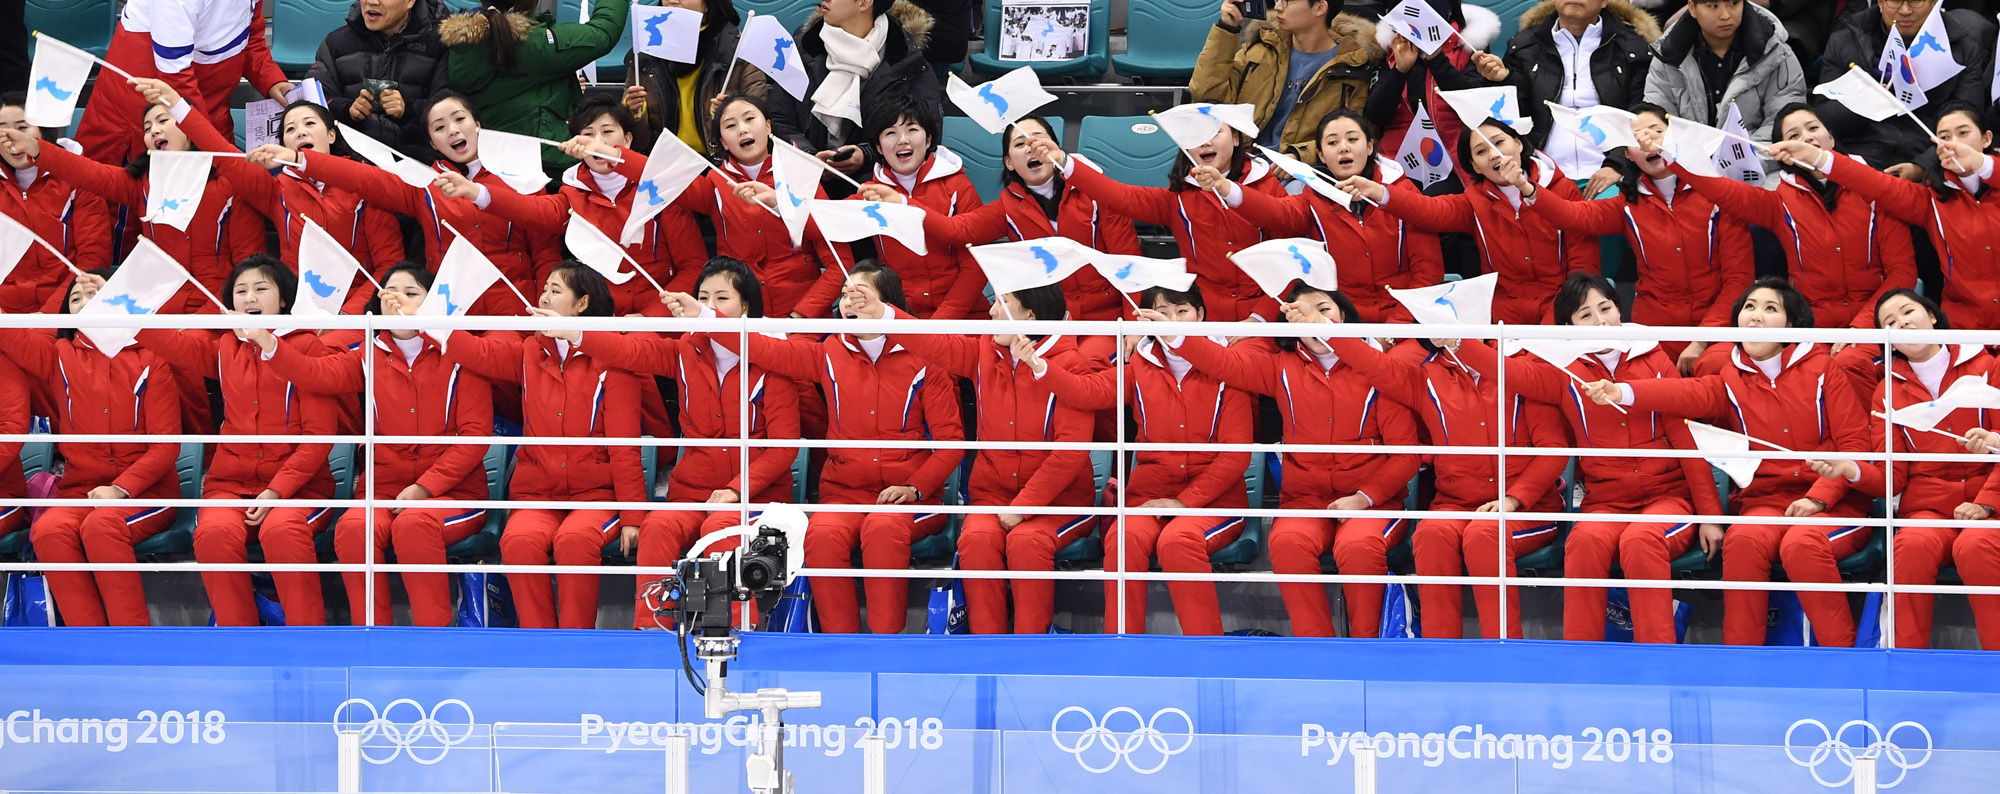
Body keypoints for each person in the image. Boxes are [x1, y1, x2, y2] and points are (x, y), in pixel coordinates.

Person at [1584, 277, 1876, 647]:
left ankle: (1844, 659)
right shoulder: (1729, 377)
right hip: (1766, 503)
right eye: (1749, 307)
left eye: (1770, 308)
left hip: (1834, 506)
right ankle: (1741, 661)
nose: (1756, 315)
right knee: (1741, 542)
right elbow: (1682, 392)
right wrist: (1622, 391)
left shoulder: (1825, 370)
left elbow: (1853, 445)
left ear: (1792, 324)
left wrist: (1817, 498)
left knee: (1802, 545)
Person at [1454, 272, 1725, 643]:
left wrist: (1710, 517)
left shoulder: (1654, 356)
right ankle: (1580, 659)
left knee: (1641, 541)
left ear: (1620, 310)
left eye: (1606, 308)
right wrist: (1458, 343)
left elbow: (1686, 442)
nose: (1601, 321)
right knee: (1582, 544)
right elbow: (1510, 372)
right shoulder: (1564, 372)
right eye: (1586, 315)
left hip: (1667, 500)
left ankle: (1659, 659)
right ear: (1569, 326)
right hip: (1606, 503)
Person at [562, 257, 798, 630]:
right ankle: (652, 629)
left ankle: (733, 631)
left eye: (722, 298)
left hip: (754, 499)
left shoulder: (773, 358)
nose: (710, 306)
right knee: (657, 528)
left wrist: (737, 491)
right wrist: (572, 333)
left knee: (719, 531)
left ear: (746, 307)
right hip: (691, 492)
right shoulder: (686, 349)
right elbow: (628, 352)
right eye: (703, 297)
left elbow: (785, 448)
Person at [731, 263, 966, 634]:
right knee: (820, 535)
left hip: (912, 499)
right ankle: (840, 643)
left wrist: (914, 488)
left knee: (883, 530)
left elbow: (952, 444)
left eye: (860, 294)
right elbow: (765, 349)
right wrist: (707, 317)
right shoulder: (828, 351)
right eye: (844, 294)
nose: (849, 302)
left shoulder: (925, 358)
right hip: (844, 493)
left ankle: (886, 643)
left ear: (888, 303)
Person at [261, 264, 497, 628]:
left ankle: (433, 640)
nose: (396, 299)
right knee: (353, 527)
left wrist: (425, 487)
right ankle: (370, 635)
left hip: (452, 494)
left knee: (414, 526)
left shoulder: (462, 352)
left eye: (410, 292)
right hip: (381, 490)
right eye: (388, 292)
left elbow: (475, 437)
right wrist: (269, 343)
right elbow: (314, 374)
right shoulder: (366, 356)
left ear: (432, 302)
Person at [1174, 287, 1418, 637]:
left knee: (1358, 546)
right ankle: (1316, 648)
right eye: (1302, 314)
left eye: (1323, 310)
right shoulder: (1280, 367)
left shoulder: (1380, 369)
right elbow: (1224, 362)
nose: (1315, 321)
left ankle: (1367, 651)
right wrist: (1177, 335)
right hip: (1305, 500)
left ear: (1344, 316)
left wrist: (1364, 498)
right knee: (1287, 542)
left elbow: (1407, 453)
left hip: (1372, 504)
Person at [859, 284, 1097, 634]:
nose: (991, 313)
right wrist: (885, 314)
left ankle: (1030, 651)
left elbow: (1070, 452)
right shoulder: (985, 351)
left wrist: (1025, 504)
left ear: (1029, 314)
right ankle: (989, 646)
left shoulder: (1072, 366)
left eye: (1001, 305)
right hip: (993, 495)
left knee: (1027, 543)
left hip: (1059, 503)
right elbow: (933, 343)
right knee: (975, 541)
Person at [1023, 286, 1256, 634]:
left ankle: (1207, 651)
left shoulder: (1228, 369)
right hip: (1148, 498)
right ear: (1146, 318)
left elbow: (1237, 455)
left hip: (1214, 503)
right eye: (1163, 313)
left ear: (1202, 315)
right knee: (1121, 540)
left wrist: (1184, 501)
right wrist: (1039, 365)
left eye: (1182, 312)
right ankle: (1120, 645)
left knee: (1178, 542)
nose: (1173, 321)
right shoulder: (1138, 368)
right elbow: (1088, 392)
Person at [431, 262, 647, 629]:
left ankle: (576, 643)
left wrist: (633, 517)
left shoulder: (613, 359)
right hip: (538, 495)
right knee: (518, 542)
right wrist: (429, 319)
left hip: (597, 496)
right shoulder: (530, 349)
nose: (543, 297)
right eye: (544, 288)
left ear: (582, 305)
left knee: (575, 542)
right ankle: (538, 641)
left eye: (555, 291)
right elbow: (478, 353)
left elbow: (625, 446)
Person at [1321, 328, 1571, 640]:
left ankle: (1504, 648)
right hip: (1455, 503)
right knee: (1431, 533)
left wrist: (1512, 500)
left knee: (1486, 533)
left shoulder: (1520, 371)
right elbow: (1373, 364)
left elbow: (1553, 450)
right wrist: (1324, 325)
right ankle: (1440, 651)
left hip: (1526, 509)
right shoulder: (1425, 377)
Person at [133, 257, 339, 627]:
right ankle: (238, 639)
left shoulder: (309, 349)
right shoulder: (225, 348)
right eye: (241, 291)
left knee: (282, 532)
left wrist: (277, 491)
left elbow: (319, 438)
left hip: (300, 490)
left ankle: (309, 640)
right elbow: (170, 343)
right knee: (212, 534)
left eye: (261, 288)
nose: (250, 297)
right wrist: (120, 305)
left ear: (284, 301)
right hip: (230, 485)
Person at [0, 272, 183, 627]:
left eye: (96, 294)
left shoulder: (152, 359)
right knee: (48, 532)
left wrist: (120, 488)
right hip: (81, 491)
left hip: (147, 492)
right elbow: (10, 333)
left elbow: (166, 445)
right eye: (76, 299)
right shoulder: (58, 355)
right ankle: (89, 639)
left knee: (102, 527)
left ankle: (132, 641)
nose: (85, 301)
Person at [1638, 104, 1913, 340]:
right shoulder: (1778, 203)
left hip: (1876, 326)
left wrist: (1862, 328)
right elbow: (1720, 189)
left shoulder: (1876, 191)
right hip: (1809, 330)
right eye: (1794, 135)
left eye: (1813, 128)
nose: (1806, 138)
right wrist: (1669, 154)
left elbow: (1902, 273)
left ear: (1830, 136)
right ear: (1783, 152)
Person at [138, 79, 407, 311]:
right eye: (289, 129)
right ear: (282, 146)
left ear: (332, 135)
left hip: (358, 314)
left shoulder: (365, 185)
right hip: (295, 311)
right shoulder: (275, 189)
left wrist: (350, 314)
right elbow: (222, 152)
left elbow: (388, 265)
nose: (299, 131)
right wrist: (176, 104)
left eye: (309, 123)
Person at [286, 93, 560, 316]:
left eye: (459, 119)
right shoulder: (425, 184)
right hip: (450, 309)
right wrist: (302, 161)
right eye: (440, 127)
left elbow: (545, 253)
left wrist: (545, 305)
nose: (452, 130)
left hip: (515, 305)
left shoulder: (522, 173)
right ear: (433, 143)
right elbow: (365, 179)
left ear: (477, 124)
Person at [1517, 103, 1754, 359]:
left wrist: (1703, 339)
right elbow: (1574, 216)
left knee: (1714, 369)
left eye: (1656, 131)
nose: (1647, 141)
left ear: (1674, 136)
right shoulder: (1627, 204)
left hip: (1715, 329)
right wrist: (1526, 187)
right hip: (1653, 330)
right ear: (1628, 155)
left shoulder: (1719, 196)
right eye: (1635, 139)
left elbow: (1738, 281)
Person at [858, 116, 1140, 321]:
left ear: (1056, 147)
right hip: (1043, 322)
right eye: (1020, 144)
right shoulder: (1006, 207)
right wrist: (904, 203)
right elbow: (957, 230)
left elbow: (1129, 262)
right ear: (1008, 162)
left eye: (1039, 140)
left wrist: (1133, 327)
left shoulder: (1097, 191)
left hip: (1105, 320)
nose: (1031, 148)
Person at [1842, 290, 2000, 649]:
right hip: (1928, 507)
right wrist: (1851, 470)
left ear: (1932, 315)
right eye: (1890, 323)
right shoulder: (1886, 391)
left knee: (1976, 546)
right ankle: (1906, 663)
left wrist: (1987, 494)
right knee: (1911, 546)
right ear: (1887, 341)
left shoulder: (1989, 365)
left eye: (1908, 311)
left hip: (1990, 501)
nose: (1902, 323)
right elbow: (1892, 477)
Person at [0, 104, 264, 318]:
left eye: (163, 120)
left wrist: (207, 318)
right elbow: (87, 173)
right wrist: (37, 149)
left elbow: (248, 264)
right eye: (147, 127)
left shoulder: (231, 186)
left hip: (217, 307)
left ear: (192, 129)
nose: (153, 130)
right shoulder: (140, 184)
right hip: (156, 306)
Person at [456, 101, 709, 315]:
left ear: (628, 140)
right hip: (594, 317)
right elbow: (533, 210)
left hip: (656, 319)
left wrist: (650, 317)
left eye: (607, 132)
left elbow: (693, 266)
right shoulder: (572, 192)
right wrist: (477, 193)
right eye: (588, 134)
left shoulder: (662, 188)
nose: (597, 142)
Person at [1337, 119, 1599, 325]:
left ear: (1519, 143)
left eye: (1500, 143)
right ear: (1473, 165)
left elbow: (1583, 263)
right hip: (1502, 315)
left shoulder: (1563, 189)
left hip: (1563, 308)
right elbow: (1431, 210)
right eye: (1482, 151)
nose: (1494, 155)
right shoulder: (1475, 200)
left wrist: (1556, 321)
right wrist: (1379, 192)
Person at [1768, 102, 2000, 331]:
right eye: (1944, 137)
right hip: (1966, 332)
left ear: (1986, 138)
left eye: (1963, 133)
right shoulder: (1930, 201)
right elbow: (1872, 182)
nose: (1954, 144)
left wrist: (1983, 164)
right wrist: (1819, 158)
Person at [1200, 109, 1444, 323]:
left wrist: (1394, 331)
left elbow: (1428, 271)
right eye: (1332, 142)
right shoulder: (1314, 198)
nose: (1344, 147)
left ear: (1370, 147)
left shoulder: (1401, 193)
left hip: (1405, 317)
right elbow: (1277, 212)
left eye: (1352, 139)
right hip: (1342, 319)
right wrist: (1227, 188)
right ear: (1321, 155)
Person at [1034, 124, 1285, 323]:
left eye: (1215, 132)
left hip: (1265, 312)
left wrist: (1260, 319)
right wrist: (1064, 162)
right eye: (1195, 135)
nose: (1205, 141)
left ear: (1236, 138)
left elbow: (1289, 261)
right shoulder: (1176, 199)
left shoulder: (1269, 187)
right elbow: (1118, 195)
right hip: (1200, 315)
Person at [669, 94, 849, 319]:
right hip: (742, 321)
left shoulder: (801, 174)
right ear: (723, 141)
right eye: (730, 125)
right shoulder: (715, 183)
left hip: (804, 322)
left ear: (767, 126)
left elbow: (840, 262)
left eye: (749, 119)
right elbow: (658, 181)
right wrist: (618, 155)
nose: (742, 130)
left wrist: (800, 317)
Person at [74, 0, 292, 166]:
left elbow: (249, 37)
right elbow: (175, 78)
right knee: (136, 205)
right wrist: (217, 148)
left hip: (207, 105)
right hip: (149, 108)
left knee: (223, 198)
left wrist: (273, 81)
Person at [1488, 0, 1661, 199]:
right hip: (1543, 170)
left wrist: (1618, 165)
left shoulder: (1633, 46)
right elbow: (1515, 117)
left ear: (1605, 2)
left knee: (1610, 213)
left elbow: (1642, 115)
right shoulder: (1524, 45)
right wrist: (1504, 79)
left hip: (1611, 168)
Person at [438, 0, 631, 171]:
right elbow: (603, 32)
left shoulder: (463, 49)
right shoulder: (533, 43)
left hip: (496, 168)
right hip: (548, 167)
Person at [1816, 0, 1995, 179]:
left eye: (1916, 1)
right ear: (1880, 3)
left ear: (1934, 3)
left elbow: (1969, 124)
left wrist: (1922, 167)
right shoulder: (1844, 41)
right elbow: (1823, 119)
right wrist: (1867, 101)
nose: (1905, 10)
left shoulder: (1963, 49)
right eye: (1895, 1)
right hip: (1857, 156)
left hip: (1930, 163)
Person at [1191, 0, 1381, 166]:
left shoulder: (1353, 67)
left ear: (1320, 7)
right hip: (1244, 163)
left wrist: (1300, 156)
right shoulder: (1261, 49)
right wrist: (1227, 28)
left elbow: (1356, 135)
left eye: (1288, 1)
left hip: (1303, 172)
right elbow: (1206, 95)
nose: (1279, 7)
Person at [845, 94, 985, 319]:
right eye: (890, 133)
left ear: (929, 140)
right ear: (878, 147)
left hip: (962, 317)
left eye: (912, 129)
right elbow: (824, 220)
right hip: (900, 315)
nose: (902, 140)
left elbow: (977, 264)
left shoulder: (959, 186)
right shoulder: (870, 194)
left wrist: (940, 322)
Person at [767, 0, 942, 178]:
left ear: (864, 3)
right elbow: (779, 119)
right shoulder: (803, 49)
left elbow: (928, 133)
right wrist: (809, 157)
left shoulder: (909, 64)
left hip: (876, 187)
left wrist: (866, 155)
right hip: (803, 179)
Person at [0, 92, 113, 312]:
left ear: (44, 130)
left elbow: (92, 260)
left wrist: (47, 317)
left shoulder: (80, 178)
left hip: (63, 312)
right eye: (2, 129)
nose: (11, 137)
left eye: (22, 128)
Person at [307, 0, 454, 162]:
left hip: (418, 164)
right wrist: (347, 110)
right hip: (350, 161)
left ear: (410, 2)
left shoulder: (441, 44)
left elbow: (454, 110)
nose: (371, 2)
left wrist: (408, 110)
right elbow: (310, 101)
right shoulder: (336, 43)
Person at [1641, 0, 1804, 145]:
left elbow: (1784, 124)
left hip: (1759, 166)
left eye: (1734, 3)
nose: (1725, 15)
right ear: (1692, 8)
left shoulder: (1777, 54)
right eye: (1713, 6)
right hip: (1686, 167)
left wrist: (1737, 162)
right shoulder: (1667, 57)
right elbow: (1657, 121)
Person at [621, 0, 768, 154]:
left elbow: (757, 128)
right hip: (663, 164)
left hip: (721, 165)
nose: (672, 1)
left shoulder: (739, 52)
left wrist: (727, 114)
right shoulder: (644, 54)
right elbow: (636, 144)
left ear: (707, 5)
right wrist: (635, 114)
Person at [1365, 1, 1502, 163]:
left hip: (1459, 156)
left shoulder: (1470, 45)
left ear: (1450, 10)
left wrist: (1436, 59)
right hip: (1399, 159)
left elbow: (1474, 106)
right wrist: (1399, 71)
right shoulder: (1390, 47)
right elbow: (1376, 115)